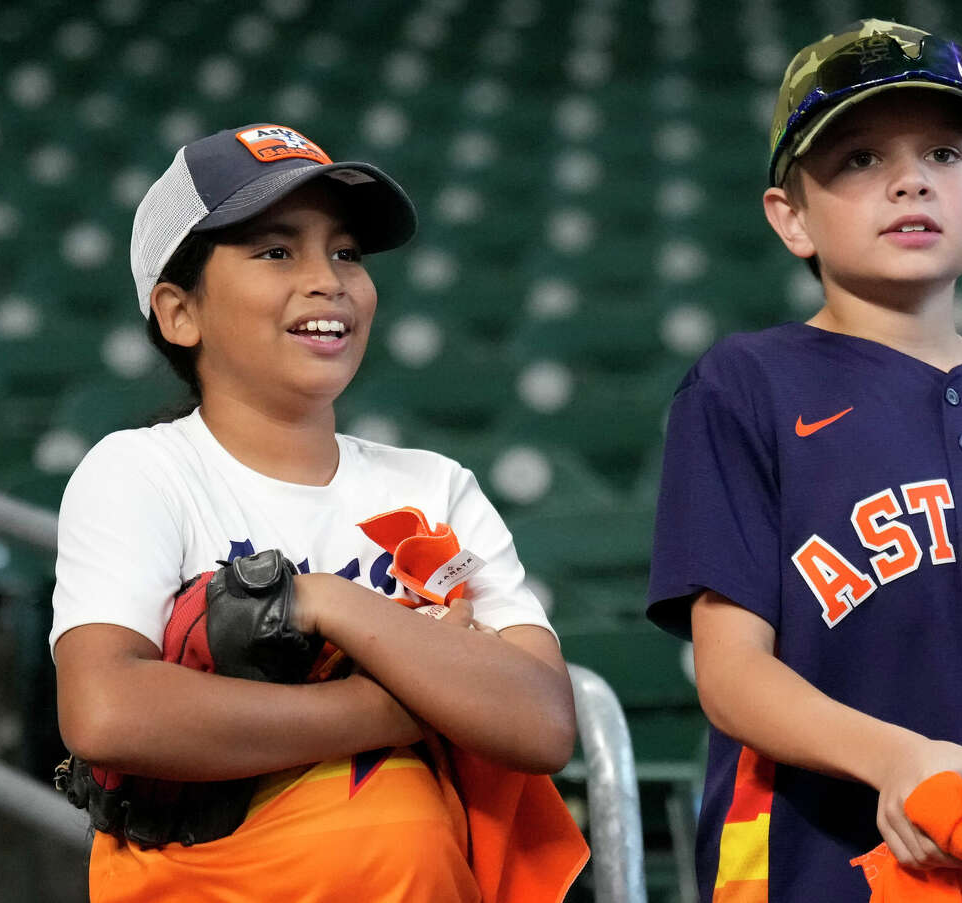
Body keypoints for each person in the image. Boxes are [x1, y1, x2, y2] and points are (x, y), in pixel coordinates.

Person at [51, 123, 581, 902]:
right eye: (276, 251)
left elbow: (541, 721)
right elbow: (105, 711)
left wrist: (327, 600)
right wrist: (396, 705)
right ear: (178, 312)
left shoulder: (434, 485)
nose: (328, 278)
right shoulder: (141, 471)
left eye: (346, 253)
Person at [646, 20, 962, 903]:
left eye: (943, 151)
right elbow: (732, 677)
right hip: (815, 860)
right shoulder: (743, 384)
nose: (909, 179)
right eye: (857, 159)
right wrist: (895, 758)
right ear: (792, 219)